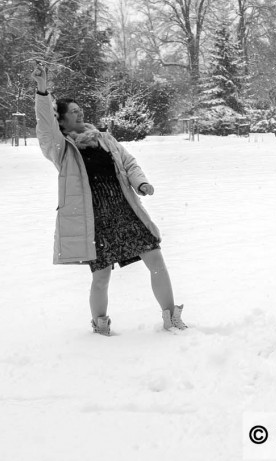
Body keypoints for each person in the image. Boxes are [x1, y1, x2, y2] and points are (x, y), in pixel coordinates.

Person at [32, 63, 187, 334]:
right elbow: (45, 126)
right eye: (74, 112)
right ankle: (100, 326)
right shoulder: (61, 149)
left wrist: (141, 183)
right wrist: (42, 91)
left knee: (156, 260)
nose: (80, 113)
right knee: (101, 277)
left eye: (81, 110)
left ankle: (171, 316)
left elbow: (128, 163)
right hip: (96, 221)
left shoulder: (104, 139)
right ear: (63, 121)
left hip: (125, 211)